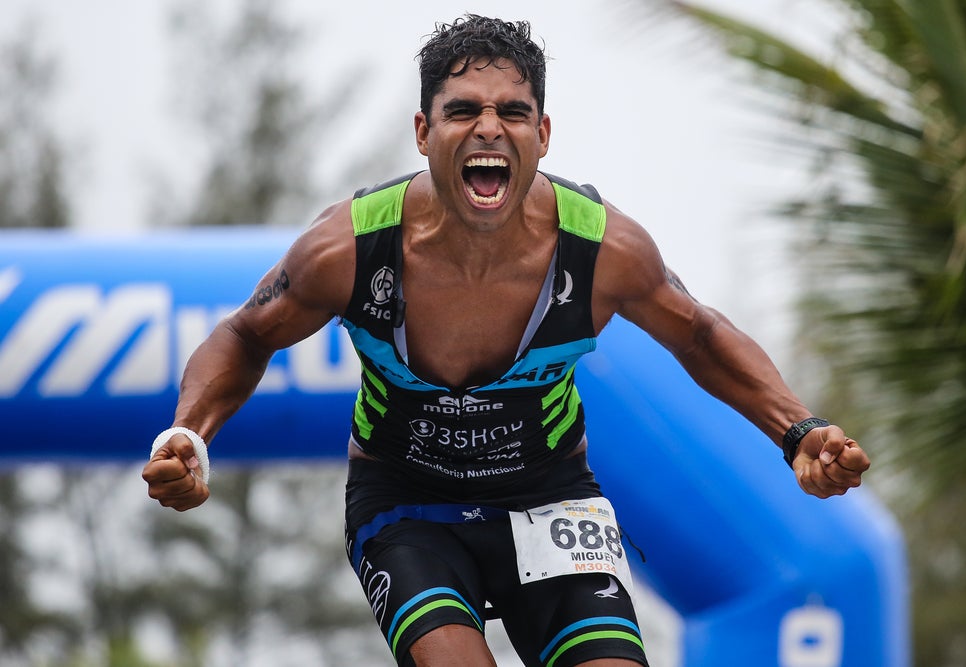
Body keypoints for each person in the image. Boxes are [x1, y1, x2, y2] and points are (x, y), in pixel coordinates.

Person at [142, 14, 871, 667]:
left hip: (552, 500)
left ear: (541, 135)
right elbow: (245, 334)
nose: (489, 128)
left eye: (512, 113)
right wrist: (189, 432)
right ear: (424, 133)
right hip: (407, 504)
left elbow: (702, 334)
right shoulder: (350, 247)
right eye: (462, 111)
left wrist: (797, 428)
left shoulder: (605, 248)